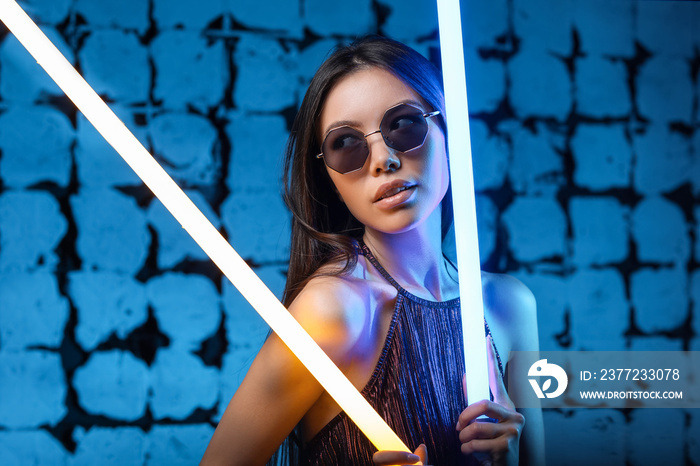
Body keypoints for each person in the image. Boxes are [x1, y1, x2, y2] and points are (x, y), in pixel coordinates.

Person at [201, 36, 543, 466]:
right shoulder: (333, 312)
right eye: (346, 144)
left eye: (404, 124)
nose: (383, 159)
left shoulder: (511, 306)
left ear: (448, 129)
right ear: (328, 176)